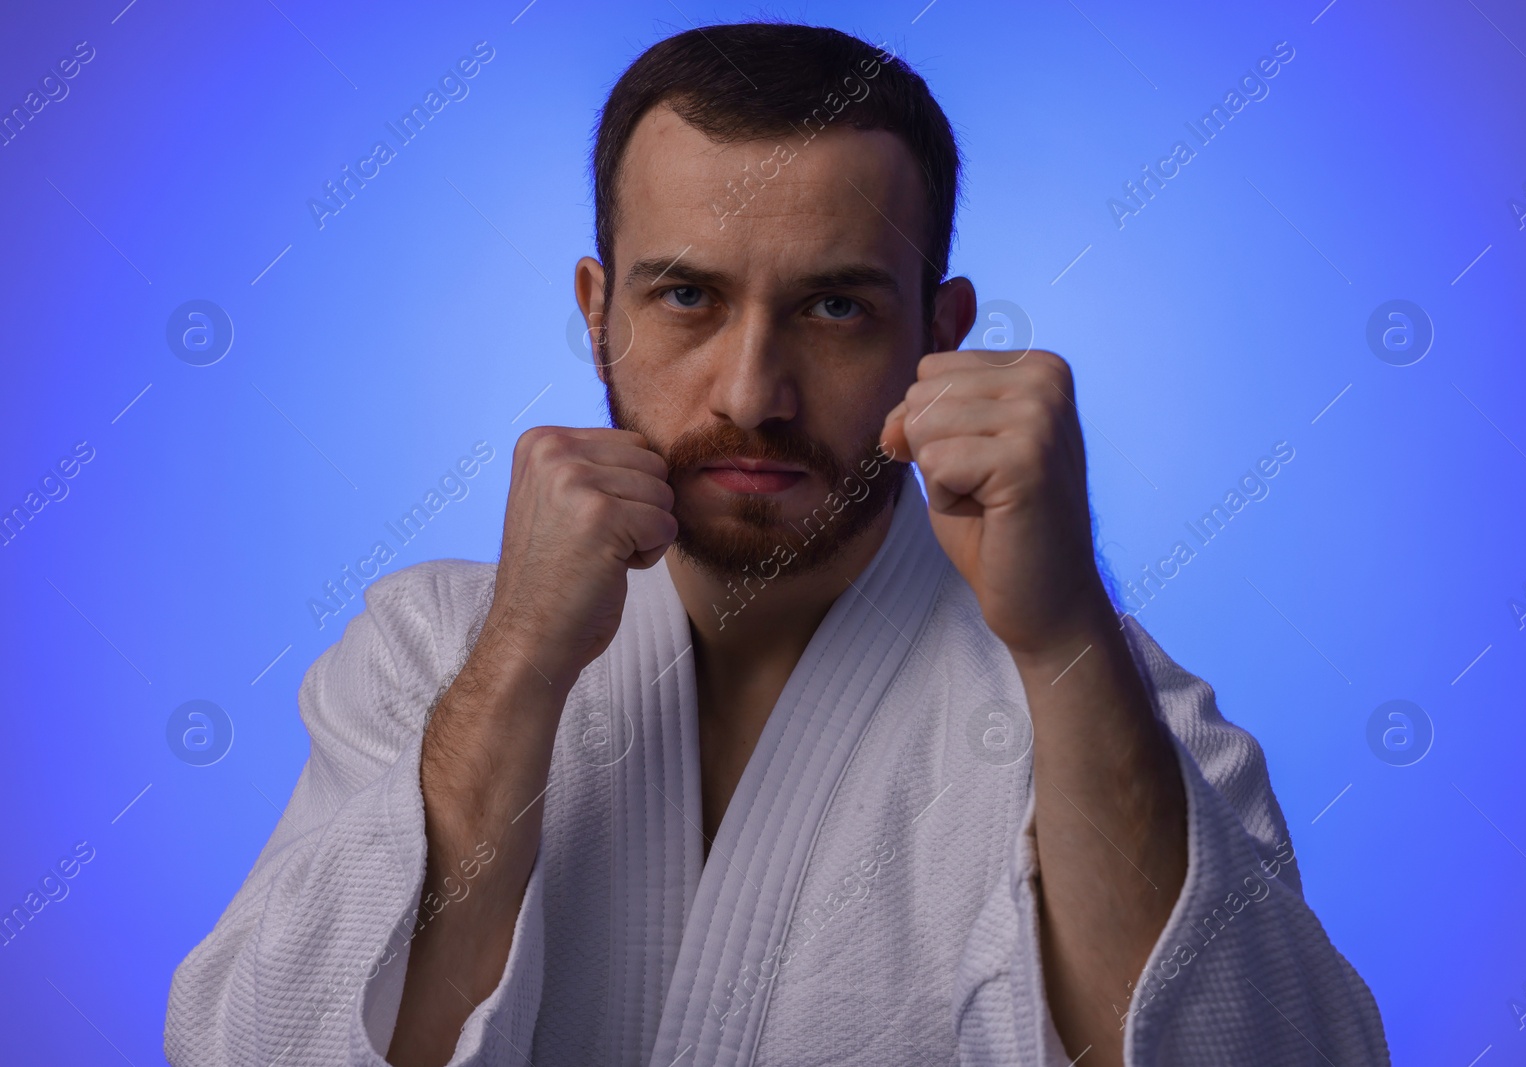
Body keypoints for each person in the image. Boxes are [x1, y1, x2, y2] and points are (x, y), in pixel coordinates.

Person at [165, 22, 1388, 1067]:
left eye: (835, 305)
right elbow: (256, 1045)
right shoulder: (433, 647)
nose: (752, 391)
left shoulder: (1109, 702)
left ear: (941, 331)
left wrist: (1063, 631)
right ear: (599, 312)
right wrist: (526, 656)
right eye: (686, 296)